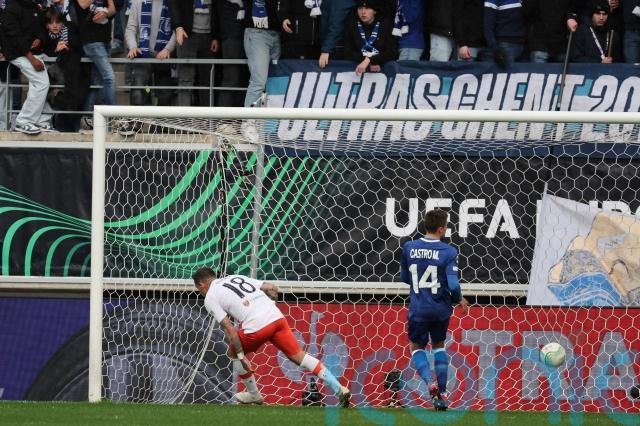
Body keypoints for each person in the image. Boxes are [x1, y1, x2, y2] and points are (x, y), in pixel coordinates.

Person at [192, 267, 351, 406]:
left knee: (233, 352)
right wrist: (270, 306)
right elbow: (272, 287)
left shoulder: (210, 296)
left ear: (200, 284)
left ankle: (254, 394)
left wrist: (240, 356)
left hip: (256, 326)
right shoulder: (236, 277)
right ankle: (339, 388)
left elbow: (229, 328)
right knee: (300, 357)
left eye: (199, 289)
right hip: (277, 318)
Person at [399, 209, 469, 411]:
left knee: (416, 347)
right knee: (438, 345)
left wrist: (420, 287)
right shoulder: (448, 251)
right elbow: (453, 284)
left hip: (418, 308)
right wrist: (459, 299)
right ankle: (444, 393)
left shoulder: (409, 247)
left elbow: (404, 277)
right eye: (446, 226)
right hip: (440, 308)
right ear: (440, 229)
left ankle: (430, 382)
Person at [0, 0, 52, 135]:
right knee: (41, 83)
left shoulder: (34, 7)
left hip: (34, 52)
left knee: (39, 85)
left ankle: (38, 120)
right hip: (17, 53)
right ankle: (23, 121)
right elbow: (14, 37)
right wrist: (31, 58)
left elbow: (42, 29)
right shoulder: (11, 8)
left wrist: (39, 39)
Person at [70, 0, 117, 130]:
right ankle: (114, 118)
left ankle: (86, 117)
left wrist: (106, 13)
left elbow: (113, 9)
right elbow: (83, 4)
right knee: (109, 77)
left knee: (97, 82)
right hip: (91, 41)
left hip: (105, 40)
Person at [43, 7, 87, 131]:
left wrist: (67, 46)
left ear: (62, 22)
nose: (54, 25)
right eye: (51, 23)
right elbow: (46, 51)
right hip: (54, 78)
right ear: (46, 25)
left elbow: (79, 45)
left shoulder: (71, 29)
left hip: (72, 77)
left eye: (57, 22)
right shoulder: (44, 37)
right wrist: (56, 49)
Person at [168, 0, 218, 107]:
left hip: (209, 36)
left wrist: (215, 36)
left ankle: (207, 116)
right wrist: (178, 27)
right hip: (187, 34)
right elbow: (174, 4)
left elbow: (218, 7)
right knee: (185, 79)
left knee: (207, 81)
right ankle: (184, 115)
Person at [343, 0, 397, 76]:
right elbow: (347, 52)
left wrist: (370, 60)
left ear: (375, 11)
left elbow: (392, 53)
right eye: (360, 8)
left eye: (367, 8)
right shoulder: (352, 25)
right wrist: (368, 60)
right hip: (359, 73)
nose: (363, 12)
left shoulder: (386, 24)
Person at [483, 0, 528, 67]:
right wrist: (495, 48)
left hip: (526, 46)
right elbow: (488, 25)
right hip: (505, 45)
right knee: (504, 73)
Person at [317, 0, 355, 68]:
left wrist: (326, 49)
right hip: (332, 45)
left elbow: (336, 25)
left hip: (336, 47)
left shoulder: (340, 2)